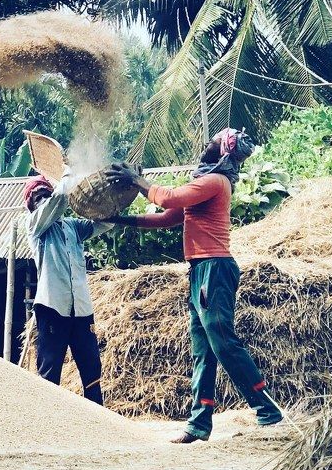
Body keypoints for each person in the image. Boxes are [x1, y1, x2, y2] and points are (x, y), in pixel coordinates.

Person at [107, 128, 283, 444]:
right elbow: (167, 216)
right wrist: (121, 220)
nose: (206, 146)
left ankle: (267, 409)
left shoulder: (216, 182)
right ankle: (199, 423)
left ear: (224, 153)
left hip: (215, 268)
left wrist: (137, 182)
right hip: (201, 270)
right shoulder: (204, 184)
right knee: (203, 349)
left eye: (213, 143)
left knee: (222, 342)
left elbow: (168, 197)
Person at [25, 170, 113, 405]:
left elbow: (104, 223)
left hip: (81, 309)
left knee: (92, 367)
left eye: (45, 193)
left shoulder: (72, 226)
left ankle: (97, 419)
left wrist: (110, 196)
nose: (43, 198)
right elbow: (59, 199)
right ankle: (49, 421)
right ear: (32, 206)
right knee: (50, 369)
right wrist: (66, 176)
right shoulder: (36, 225)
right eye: (37, 197)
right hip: (52, 306)